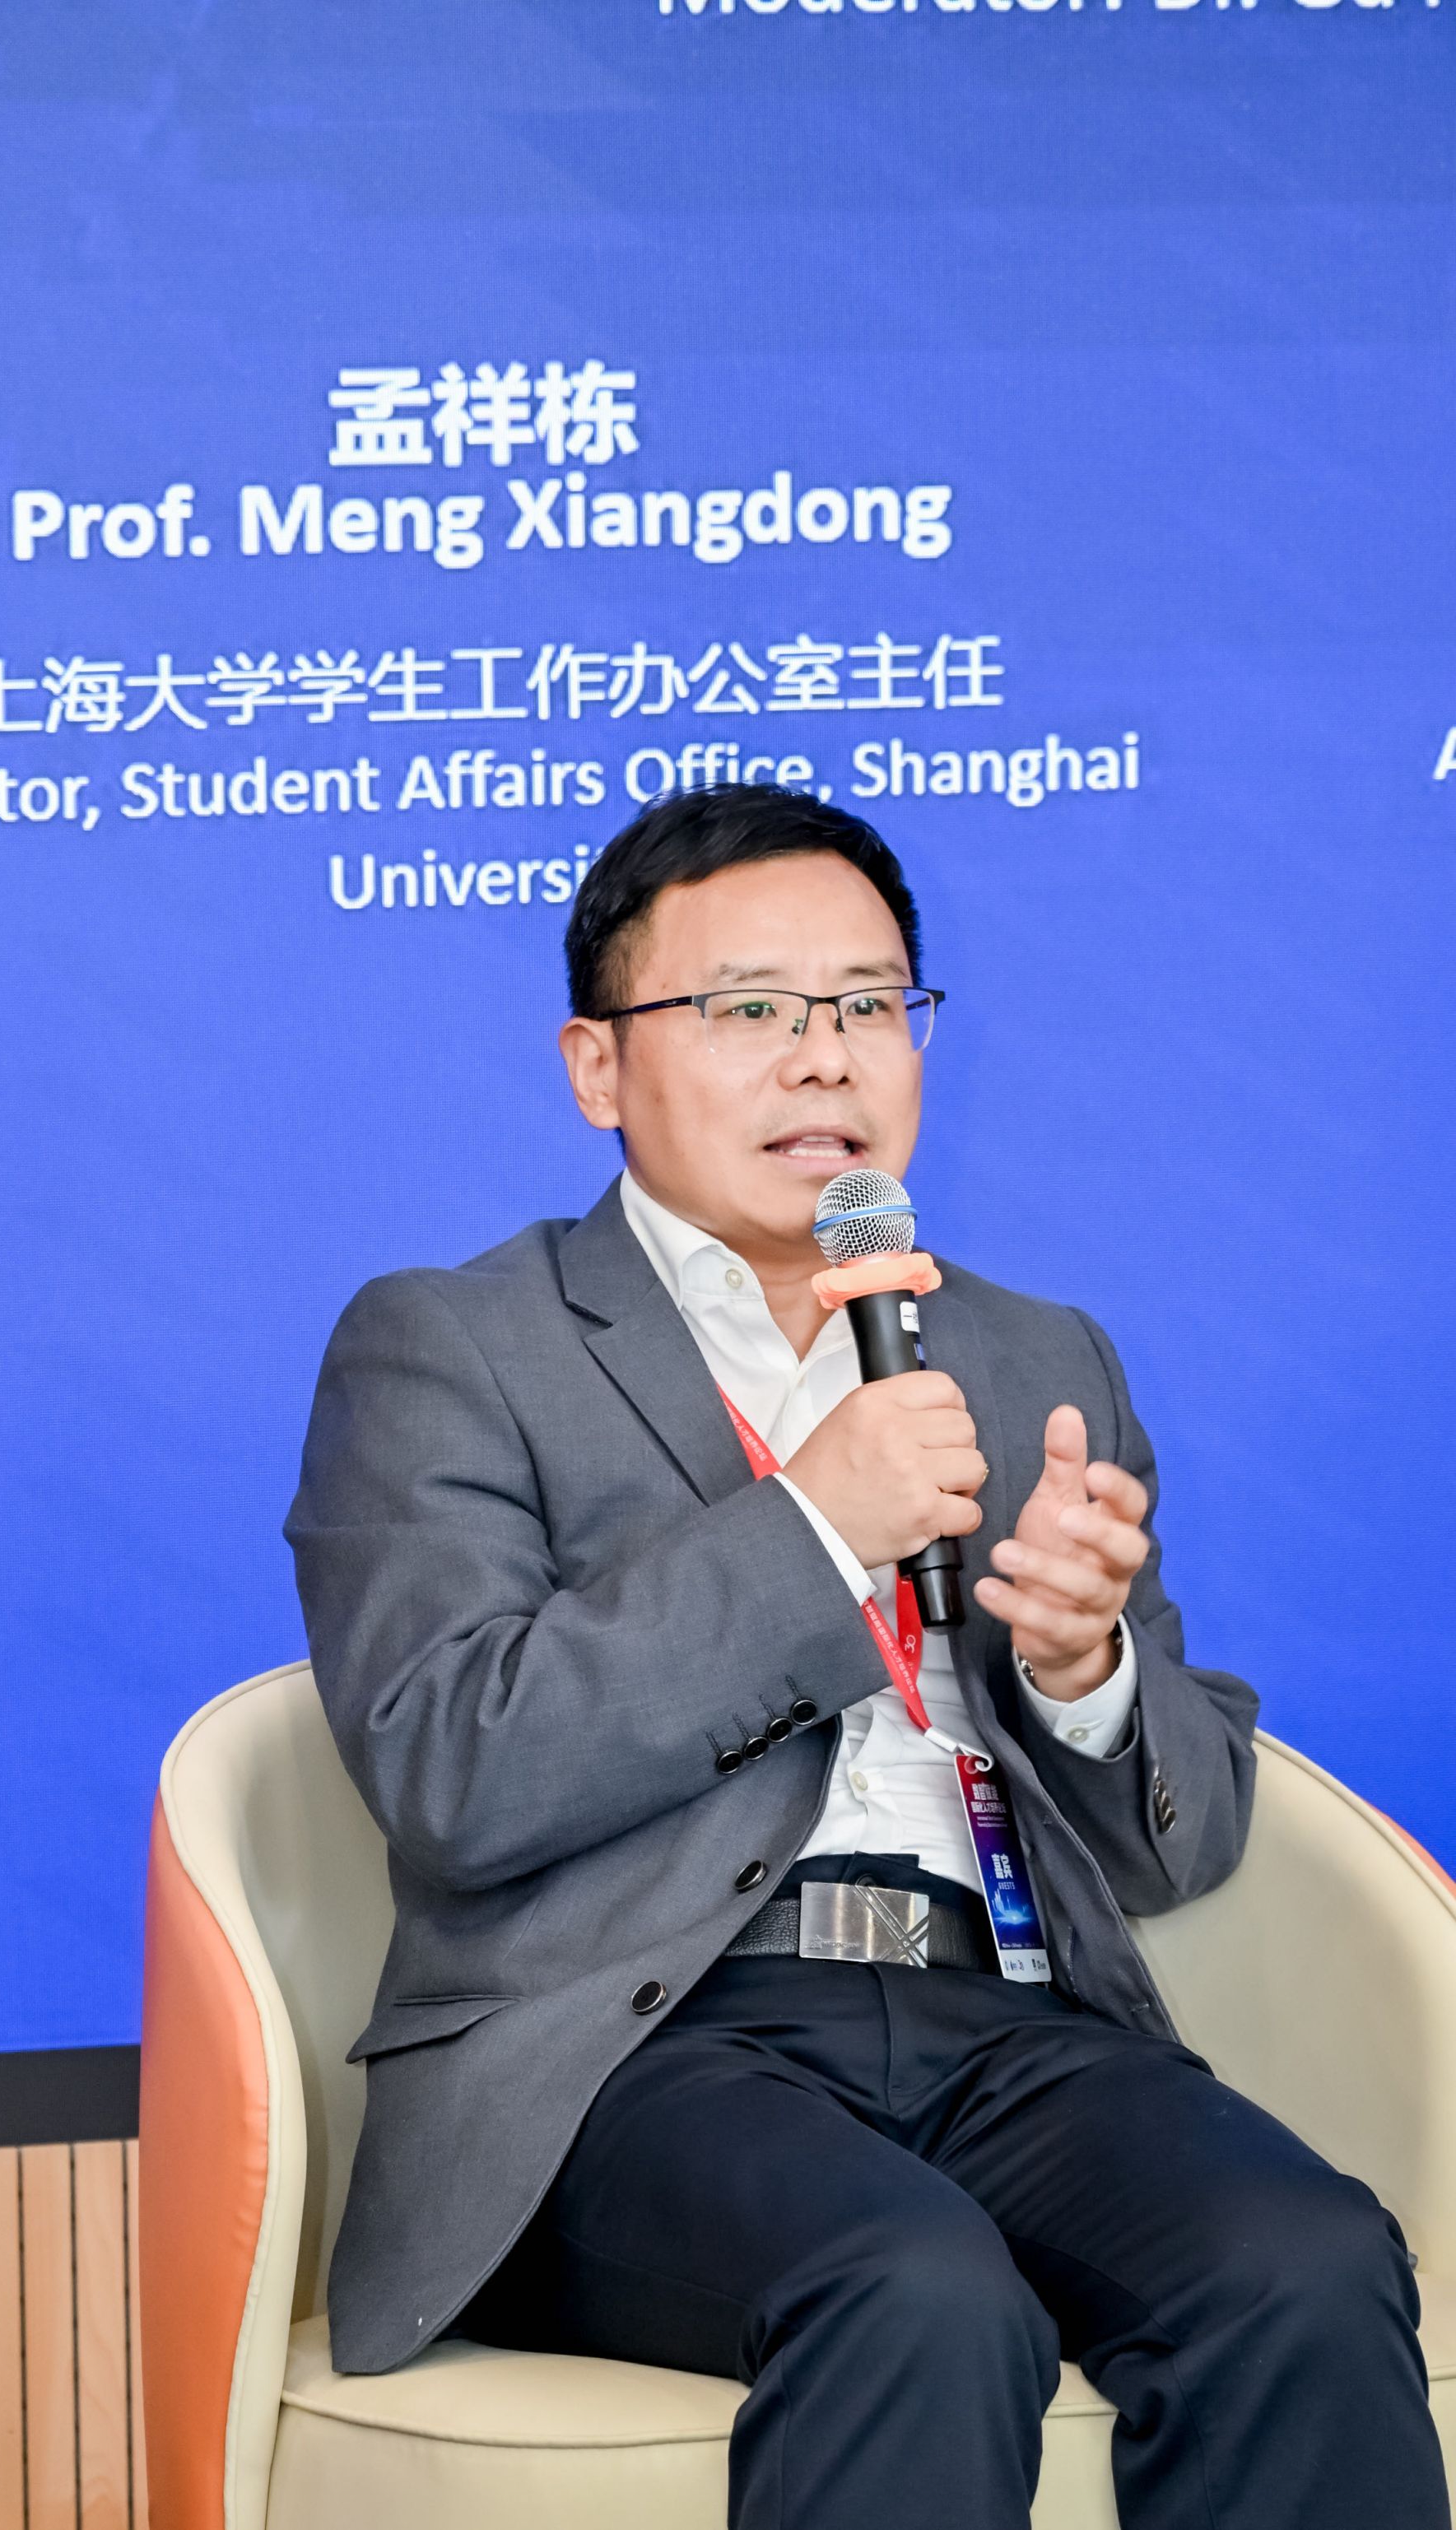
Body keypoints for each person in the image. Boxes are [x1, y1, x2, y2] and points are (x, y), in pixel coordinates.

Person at [286, 784, 1444, 2530]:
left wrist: (1080, 1671)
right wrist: (813, 1528)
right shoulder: (455, 1342)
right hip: (640, 2050)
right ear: (598, 1067)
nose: (824, 1056)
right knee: (916, 2288)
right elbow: (455, 1764)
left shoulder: (1029, 1350)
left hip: (1001, 2014)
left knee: (1304, 2258)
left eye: (869, 1004)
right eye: (749, 1006)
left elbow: (1183, 1836)